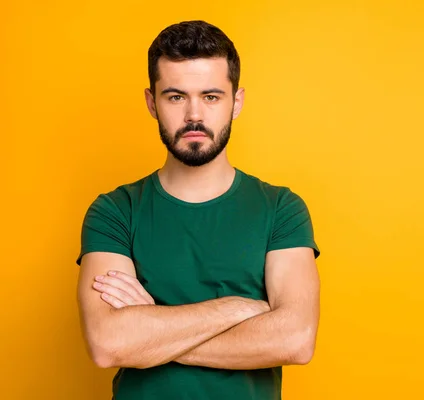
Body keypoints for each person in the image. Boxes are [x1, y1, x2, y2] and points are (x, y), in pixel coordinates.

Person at [75, 20, 321, 400]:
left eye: (211, 97)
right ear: (151, 102)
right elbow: (109, 343)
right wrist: (239, 308)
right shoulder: (115, 211)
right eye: (175, 97)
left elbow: (296, 340)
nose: (193, 115)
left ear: (235, 102)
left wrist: (152, 331)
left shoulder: (281, 209)